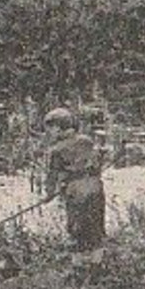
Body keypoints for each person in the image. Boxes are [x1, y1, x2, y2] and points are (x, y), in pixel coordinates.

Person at [43, 107, 106, 251]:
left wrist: (49, 194)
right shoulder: (87, 140)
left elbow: (52, 175)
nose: (49, 133)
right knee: (96, 228)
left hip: (76, 191)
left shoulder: (56, 150)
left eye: (50, 129)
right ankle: (98, 261)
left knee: (77, 229)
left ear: (58, 128)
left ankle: (79, 264)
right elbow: (97, 163)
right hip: (96, 187)